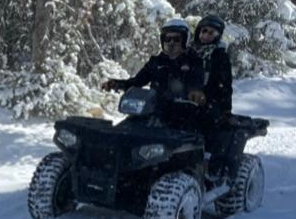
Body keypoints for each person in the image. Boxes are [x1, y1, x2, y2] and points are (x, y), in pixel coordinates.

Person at [101, 18, 205, 126]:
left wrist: (195, 92)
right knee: (126, 127)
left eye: (176, 39)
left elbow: (196, 80)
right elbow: (137, 81)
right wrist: (118, 84)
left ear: (185, 40)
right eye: (167, 39)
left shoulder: (193, 61)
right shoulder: (156, 62)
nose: (171, 43)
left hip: (182, 114)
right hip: (154, 111)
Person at [191, 13, 235, 180]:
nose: (206, 36)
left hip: (210, 100)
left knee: (208, 121)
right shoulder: (190, 51)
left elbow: (226, 84)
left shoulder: (219, 55)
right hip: (186, 97)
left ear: (218, 36)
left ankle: (206, 163)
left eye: (211, 33)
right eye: (204, 31)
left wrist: (225, 108)